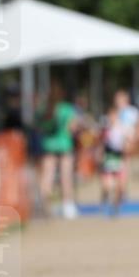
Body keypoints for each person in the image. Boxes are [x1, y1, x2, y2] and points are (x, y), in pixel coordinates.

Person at [37, 82, 79, 219]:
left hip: (48, 146)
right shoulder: (67, 109)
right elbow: (72, 128)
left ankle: (45, 204)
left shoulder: (43, 109)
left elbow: (38, 127)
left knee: (47, 177)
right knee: (65, 177)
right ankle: (68, 206)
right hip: (65, 145)